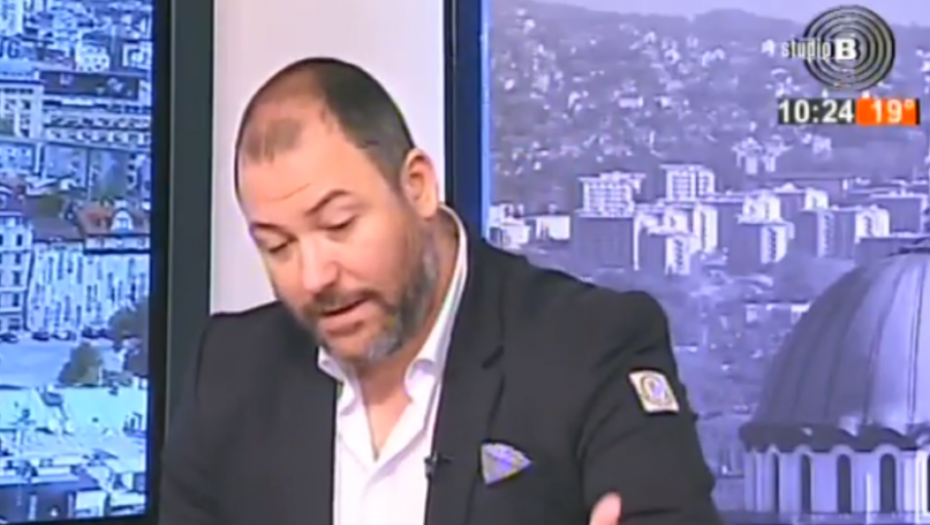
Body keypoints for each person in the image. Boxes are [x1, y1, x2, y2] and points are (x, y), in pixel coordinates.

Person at [159, 57, 721, 525]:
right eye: (278, 246)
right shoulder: (230, 373)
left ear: (418, 187)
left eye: (339, 225)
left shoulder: (591, 348)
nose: (314, 277)